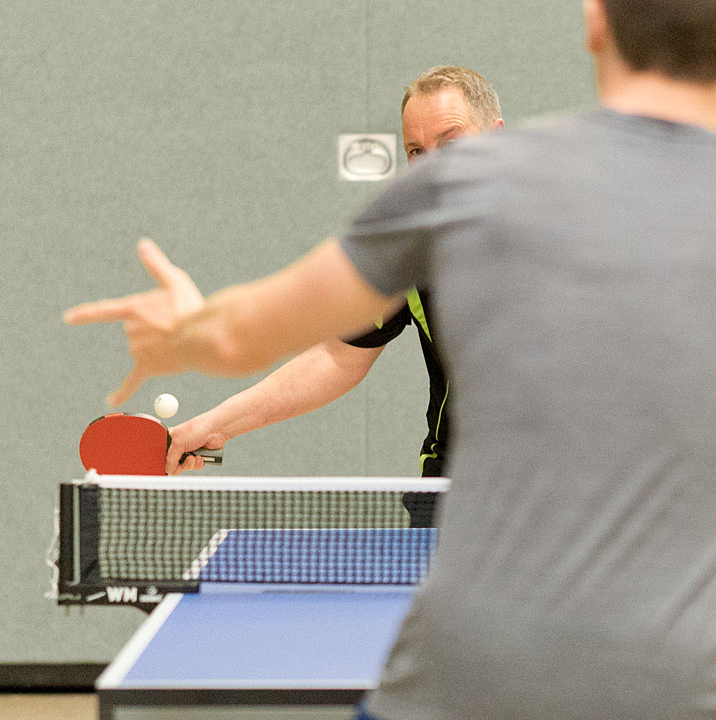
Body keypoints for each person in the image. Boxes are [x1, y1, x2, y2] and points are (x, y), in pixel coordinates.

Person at [65, 0, 716, 717]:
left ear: (592, 25)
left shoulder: (450, 199)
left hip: (457, 688)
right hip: (699, 692)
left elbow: (245, 331)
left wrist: (188, 331)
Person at [166, 66, 504, 528]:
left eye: (451, 143)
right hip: (453, 493)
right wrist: (213, 426)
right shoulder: (410, 250)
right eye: (416, 152)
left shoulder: (561, 228)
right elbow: (339, 357)